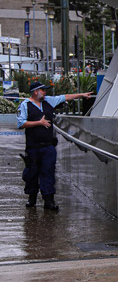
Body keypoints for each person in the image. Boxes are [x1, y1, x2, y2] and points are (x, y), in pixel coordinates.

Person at [17, 82, 92, 210]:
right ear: (36, 92)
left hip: (48, 146)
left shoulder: (49, 101)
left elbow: (65, 97)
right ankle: (32, 198)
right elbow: (21, 123)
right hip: (33, 147)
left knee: (48, 172)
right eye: (43, 90)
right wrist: (39, 123)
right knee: (32, 173)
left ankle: (49, 200)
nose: (45, 92)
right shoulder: (25, 105)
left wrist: (81, 95)